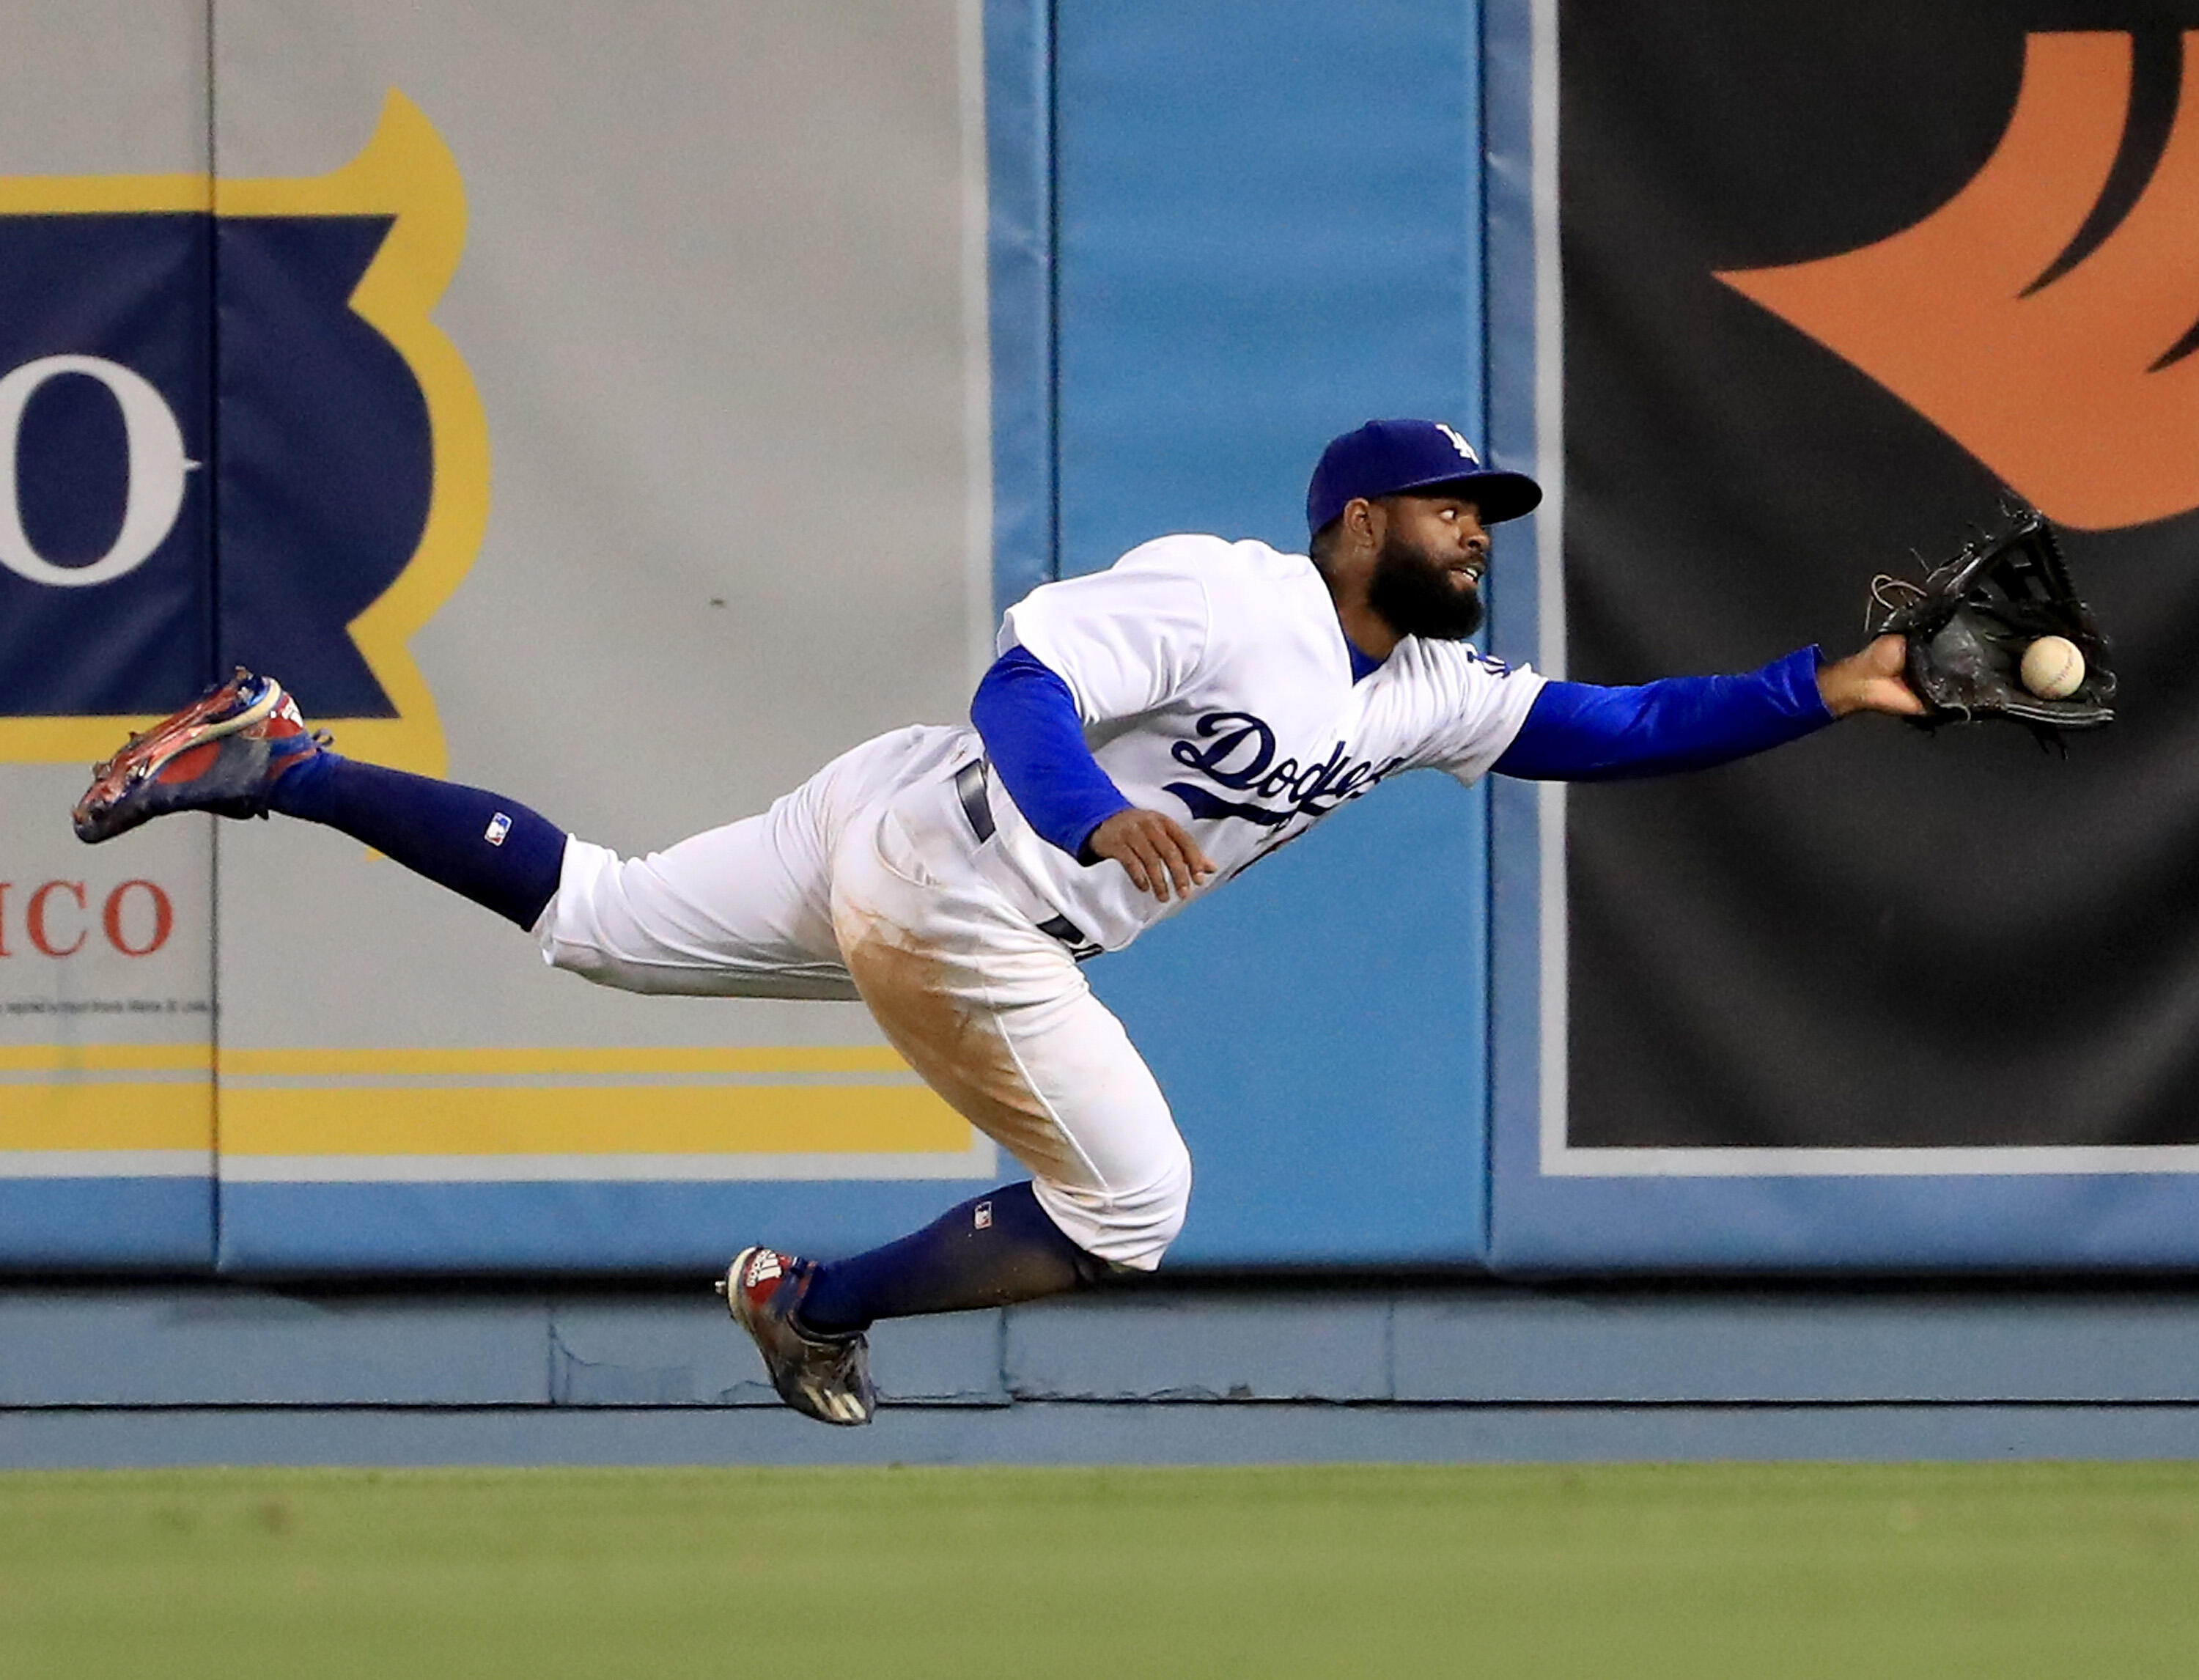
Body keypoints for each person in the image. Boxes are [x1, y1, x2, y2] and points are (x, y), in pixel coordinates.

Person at [72, 419, 1923, 1425]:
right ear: (1361, 519)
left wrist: (1828, 687)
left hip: (897, 823)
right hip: (972, 876)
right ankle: (811, 1303)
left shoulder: (1416, 691)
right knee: (1139, 1206)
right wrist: (1095, 811)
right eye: (1455, 511)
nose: (1480, 536)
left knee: (607, 917)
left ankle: (280, 759)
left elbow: (1619, 728)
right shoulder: (1236, 594)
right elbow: (1027, 682)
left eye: (1489, 517)